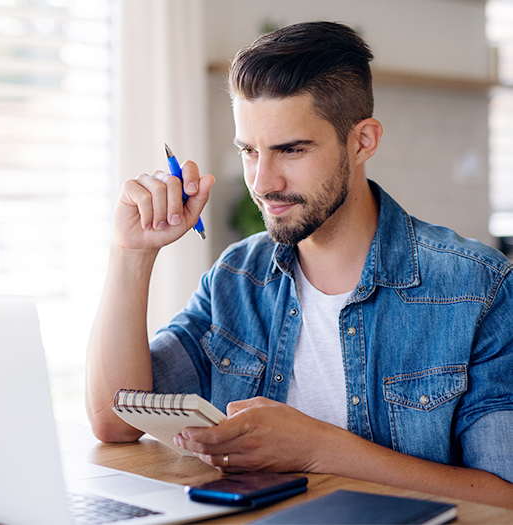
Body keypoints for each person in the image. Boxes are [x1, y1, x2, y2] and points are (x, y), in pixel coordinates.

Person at [85, 21, 513, 508]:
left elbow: (504, 496)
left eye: (291, 149)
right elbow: (117, 420)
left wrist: (317, 448)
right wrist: (132, 253)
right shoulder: (237, 277)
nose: (263, 182)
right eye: (249, 151)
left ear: (362, 141)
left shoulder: (477, 287)